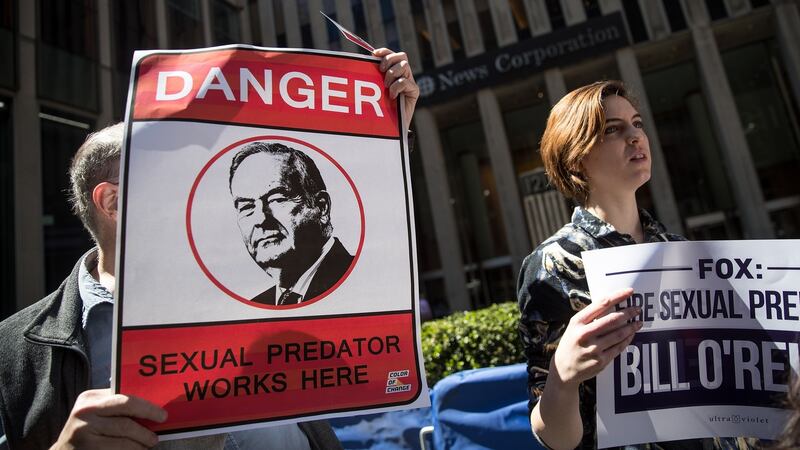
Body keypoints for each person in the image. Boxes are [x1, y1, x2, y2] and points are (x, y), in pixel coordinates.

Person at [0, 47, 418, 450]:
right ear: (112, 203)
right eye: (171, 175)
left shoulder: (258, 291)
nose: (196, 191)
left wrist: (384, 125)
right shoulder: (15, 349)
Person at [517, 80, 756, 449]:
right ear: (576, 156)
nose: (635, 136)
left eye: (638, 123)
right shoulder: (552, 266)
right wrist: (562, 379)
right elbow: (553, 437)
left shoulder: (681, 252)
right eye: (613, 129)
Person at [229, 142, 353, 306]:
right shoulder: (259, 306)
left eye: (277, 199)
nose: (260, 220)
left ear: (322, 207)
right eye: (246, 207)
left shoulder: (360, 281)